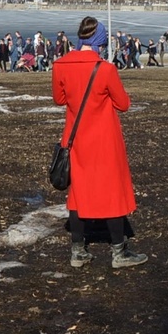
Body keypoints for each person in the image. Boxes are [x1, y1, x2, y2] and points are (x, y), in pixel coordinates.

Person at [52, 17, 147, 269]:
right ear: (100, 42)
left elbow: (59, 99)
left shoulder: (60, 65)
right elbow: (123, 105)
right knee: (112, 191)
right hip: (104, 139)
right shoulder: (105, 69)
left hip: (76, 138)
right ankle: (119, 252)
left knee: (78, 192)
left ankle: (78, 251)